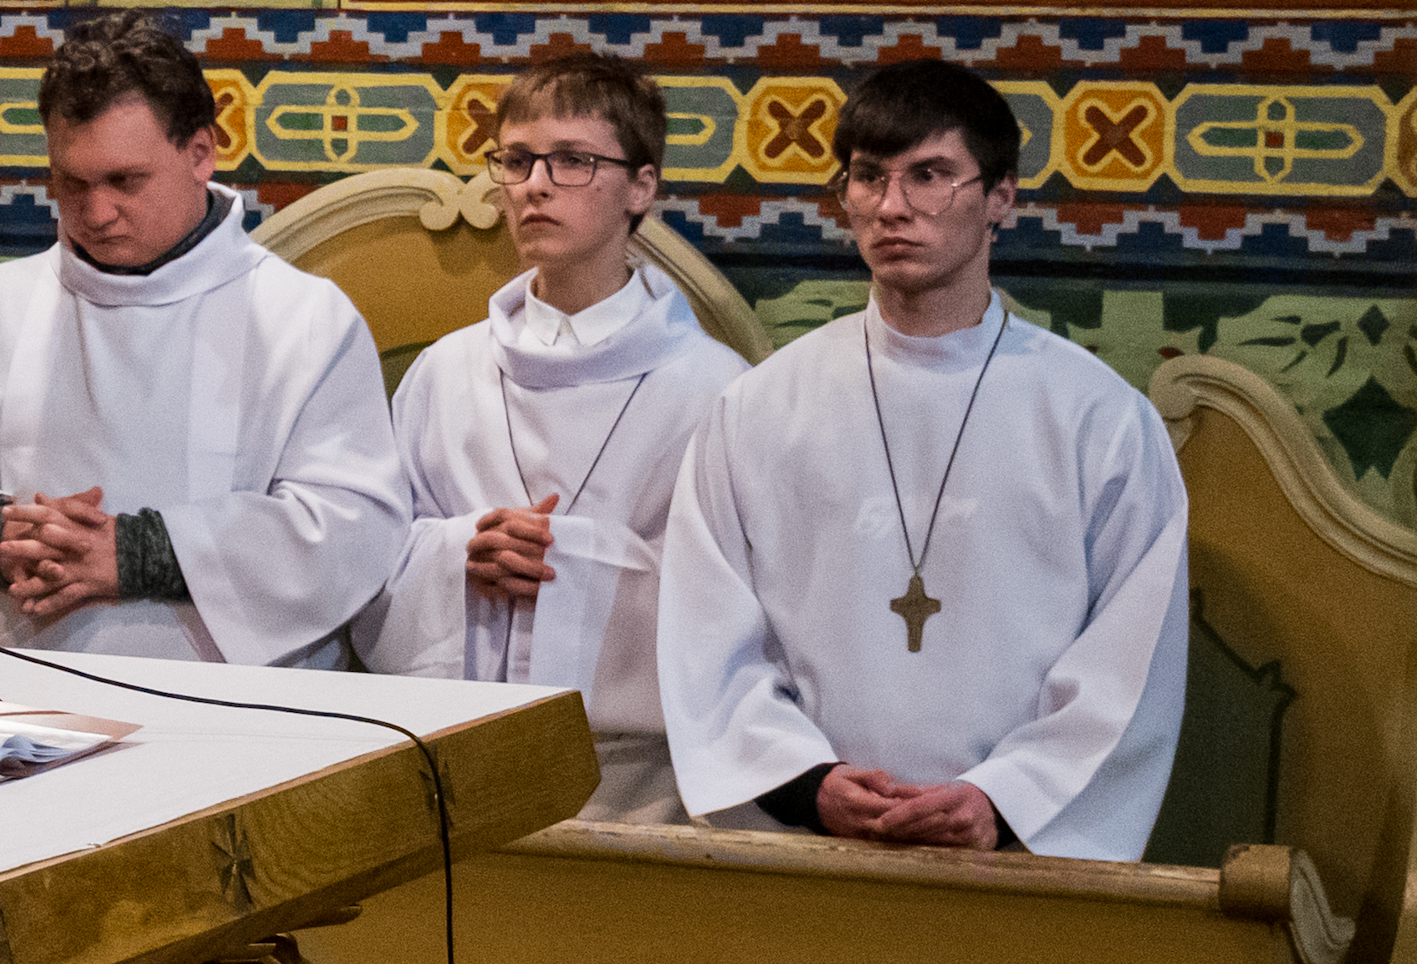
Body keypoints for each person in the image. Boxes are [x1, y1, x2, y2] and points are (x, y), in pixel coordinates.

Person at [658, 59, 1187, 855]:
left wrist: (1001, 799)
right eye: (868, 178)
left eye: (931, 175)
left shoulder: (1097, 419)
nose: (894, 207)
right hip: (812, 852)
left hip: (1015, 862)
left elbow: (1132, 661)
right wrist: (810, 784)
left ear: (1001, 195)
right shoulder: (760, 408)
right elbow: (707, 632)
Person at [0, 11, 409, 668]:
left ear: (201, 153)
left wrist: (140, 551)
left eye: (124, 180)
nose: (96, 212)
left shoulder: (303, 319)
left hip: (238, 715)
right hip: (13, 700)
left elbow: (350, 525)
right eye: (70, 182)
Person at [348, 54, 746, 820]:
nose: (534, 184)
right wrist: (461, 553)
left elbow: (738, 606)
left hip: (640, 784)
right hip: (451, 764)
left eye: (572, 161)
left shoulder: (714, 388)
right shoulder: (445, 371)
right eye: (518, 159)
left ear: (642, 186)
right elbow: (369, 559)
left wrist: (572, 566)